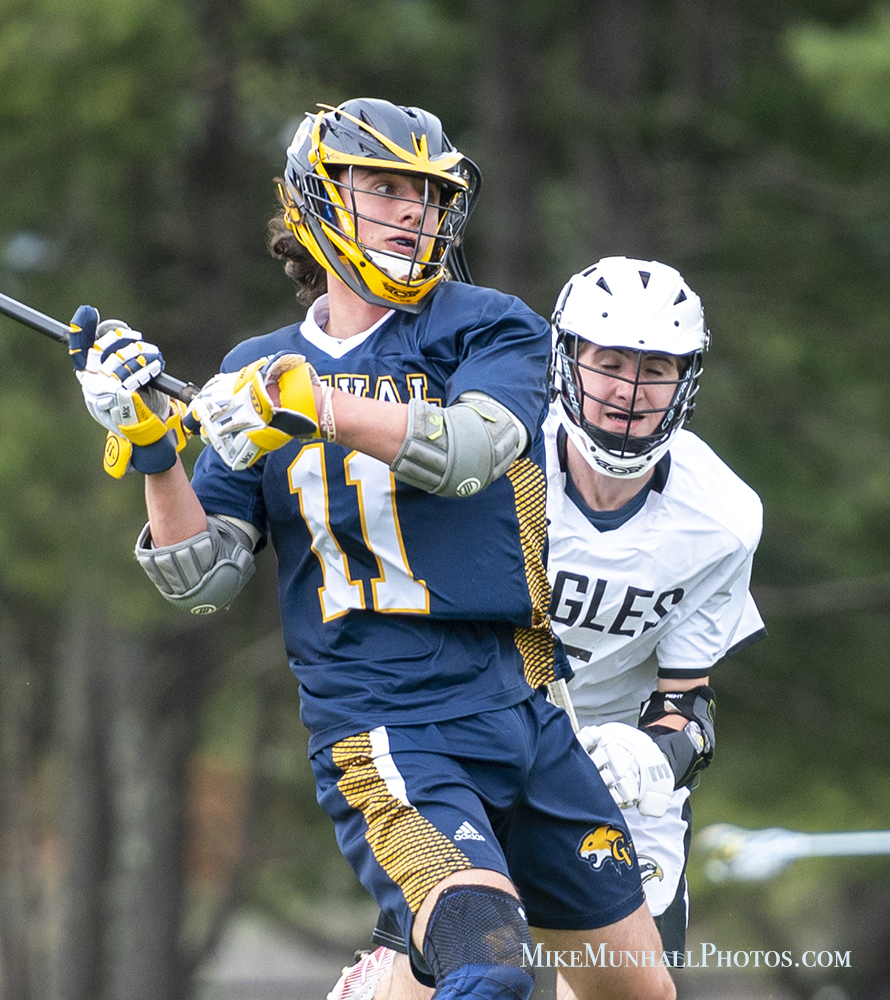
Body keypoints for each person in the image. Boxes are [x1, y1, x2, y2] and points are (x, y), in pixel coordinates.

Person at [68, 100, 674, 1000]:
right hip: (388, 726)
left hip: (524, 709)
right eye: (385, 187)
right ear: (315, 198)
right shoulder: (257, 363)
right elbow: (203, 577)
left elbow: (471, 452)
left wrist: (315, 404)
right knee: (491, 966)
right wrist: (155, 450)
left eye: (427, 195)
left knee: (639, 993)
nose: (411, 212)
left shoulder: (490, 326)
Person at [336, 256, 765, 1000]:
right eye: (610, 363)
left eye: (657, 369)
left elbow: (688, 705)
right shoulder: (494, 456)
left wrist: (653, 757)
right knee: (461, 972)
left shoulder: (724, 517)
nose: (629, 391)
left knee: (632, 993)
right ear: (566, 361)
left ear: (687, 380)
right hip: (480, 734)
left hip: (614, 771)